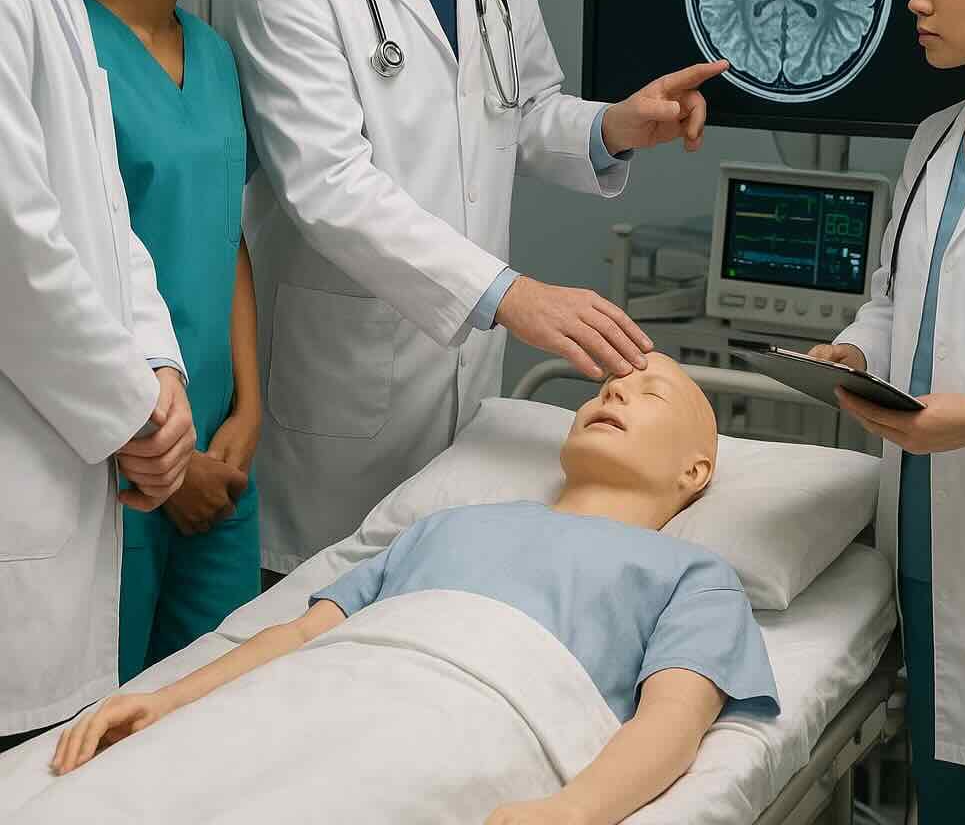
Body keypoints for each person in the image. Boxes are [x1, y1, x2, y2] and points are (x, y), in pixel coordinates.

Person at [226, 0, 727, 573]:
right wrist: (509, 295)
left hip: (461, 391)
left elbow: (519, 111)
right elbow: (328, 187)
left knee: (443, 595)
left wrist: (614, 127)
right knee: (321, 611)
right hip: (345, 395)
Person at [51, 352, 779, 825]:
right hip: (320, 692)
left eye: (651, 393)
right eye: (607, 385)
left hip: (466, 723)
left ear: (695, 472)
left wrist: (572, 811)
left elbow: (671, 722)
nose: (616, 387)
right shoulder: (448, 524)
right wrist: (168, 700)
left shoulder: (695, 577)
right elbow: (302, 636)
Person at [0, 0, 195, 751]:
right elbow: (14, 242)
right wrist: (132, 412)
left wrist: (159, 369)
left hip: (65, 481)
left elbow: (102, 215)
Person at [808, 0, 965, 822]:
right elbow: (897, 302)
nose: (916, 2)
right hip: (929, 548)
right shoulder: (935, 138)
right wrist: (856, 352)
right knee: (948, 798)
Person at [57, 0, 262, 683]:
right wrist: (163, 459)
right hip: (126, 460)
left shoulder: (213, 57)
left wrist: (248, 413)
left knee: (213, 706)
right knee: (105, 715)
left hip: (224, 451)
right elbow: (61, 280)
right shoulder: (75, 54)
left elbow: (228, 241)